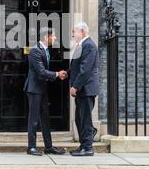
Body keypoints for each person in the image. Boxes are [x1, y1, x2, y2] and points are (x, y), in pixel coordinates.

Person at [23, 27, 67, 156]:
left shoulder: (45, 50)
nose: (55, 38)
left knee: (45, 119)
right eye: (53, 36)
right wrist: (57, 74)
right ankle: (31, 147)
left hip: (42, 89)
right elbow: (41, 71)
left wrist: (56, 75)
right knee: (34, 119)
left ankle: (48, 146)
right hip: (34, 89)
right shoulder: (35, 51)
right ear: (45, 37)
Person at [59, 22, 99, 156]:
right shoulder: (82, 45)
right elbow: (76, 66)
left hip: (86, 89)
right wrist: (67, 73)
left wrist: (75, 86)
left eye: (74, 32)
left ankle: (87, 148)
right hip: (83, 89)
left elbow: (85, 70)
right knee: (79, 118)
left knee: (85, 119)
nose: (72, 35)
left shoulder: (89, 46)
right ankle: (83, 145)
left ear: (82, 31)